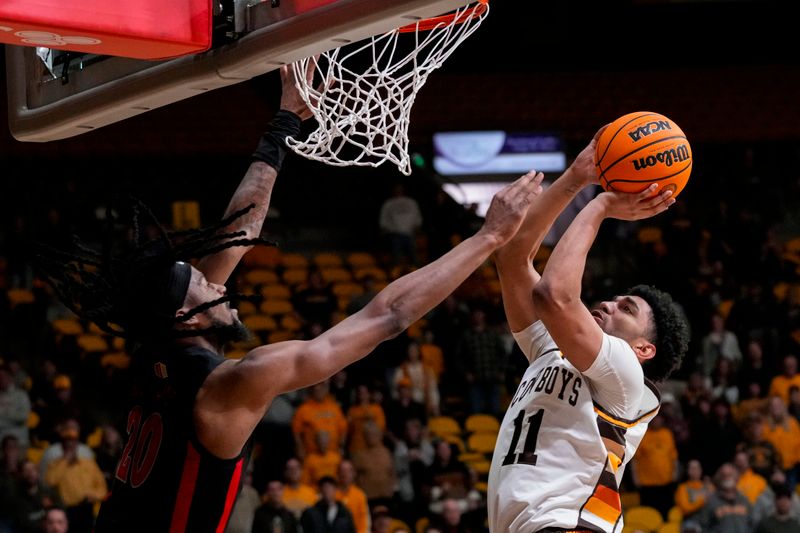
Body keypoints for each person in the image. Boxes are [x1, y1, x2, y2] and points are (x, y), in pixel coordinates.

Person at [34, 65, 543, 531]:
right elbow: (387, 315)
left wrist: (282, 125)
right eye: (206, 284)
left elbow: (237, 233)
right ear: (187, 316)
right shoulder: (227, 386)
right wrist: (488, 238)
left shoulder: (156, 345)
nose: (220, 283)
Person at [488, 126, 689, 533]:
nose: (607, 304)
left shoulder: (628, 379)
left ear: (644, 349)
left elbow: (554, 295)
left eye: (626, 309)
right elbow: (512, 257)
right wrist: (576, 178)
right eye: (614, 299)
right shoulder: (551, 349)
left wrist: (599, 207)